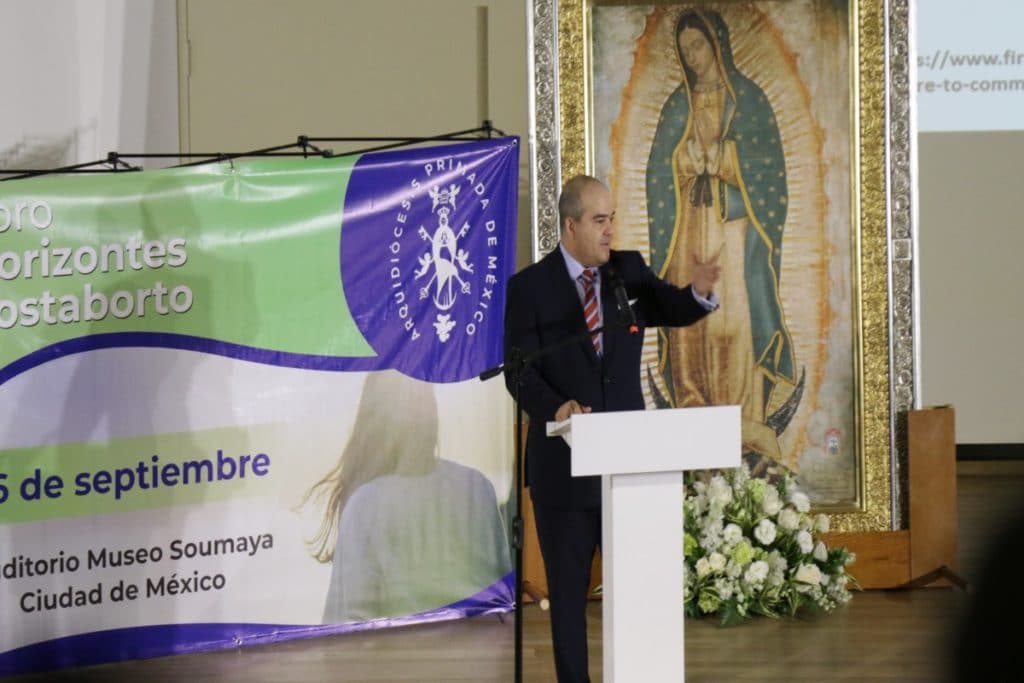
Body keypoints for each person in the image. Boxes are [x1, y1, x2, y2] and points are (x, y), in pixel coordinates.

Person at [503, 175, 719, 682]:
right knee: (569, 598)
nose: (609, 231)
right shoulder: (530, 288)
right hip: (566, 470)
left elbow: (671, 306)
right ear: (571, 225)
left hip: (630, 470)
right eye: (600, 221)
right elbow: (517, 368)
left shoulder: (628, 272)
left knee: (637, 591)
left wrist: (700, 293)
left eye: (613, 219)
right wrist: (557, 409)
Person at [645, 9, 797, 463]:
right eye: (685, 49)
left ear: (717, 43)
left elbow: (771, 174)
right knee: (694, 328)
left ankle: (742, 419)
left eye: (699, 45)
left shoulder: (748, 101)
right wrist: (684, 163)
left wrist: (726, 159)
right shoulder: (678, 104)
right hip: (689, 226)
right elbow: (659, 169)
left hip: (733, 230)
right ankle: (693, 410)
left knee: (733, 322)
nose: (693, 56)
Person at [304, 370, 511, 623]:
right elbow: (501, 594)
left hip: (400, 656)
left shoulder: (366, 503)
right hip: (481, 652)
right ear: (431, 415)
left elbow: (349, 621)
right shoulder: (477, 487)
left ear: (369, 422)